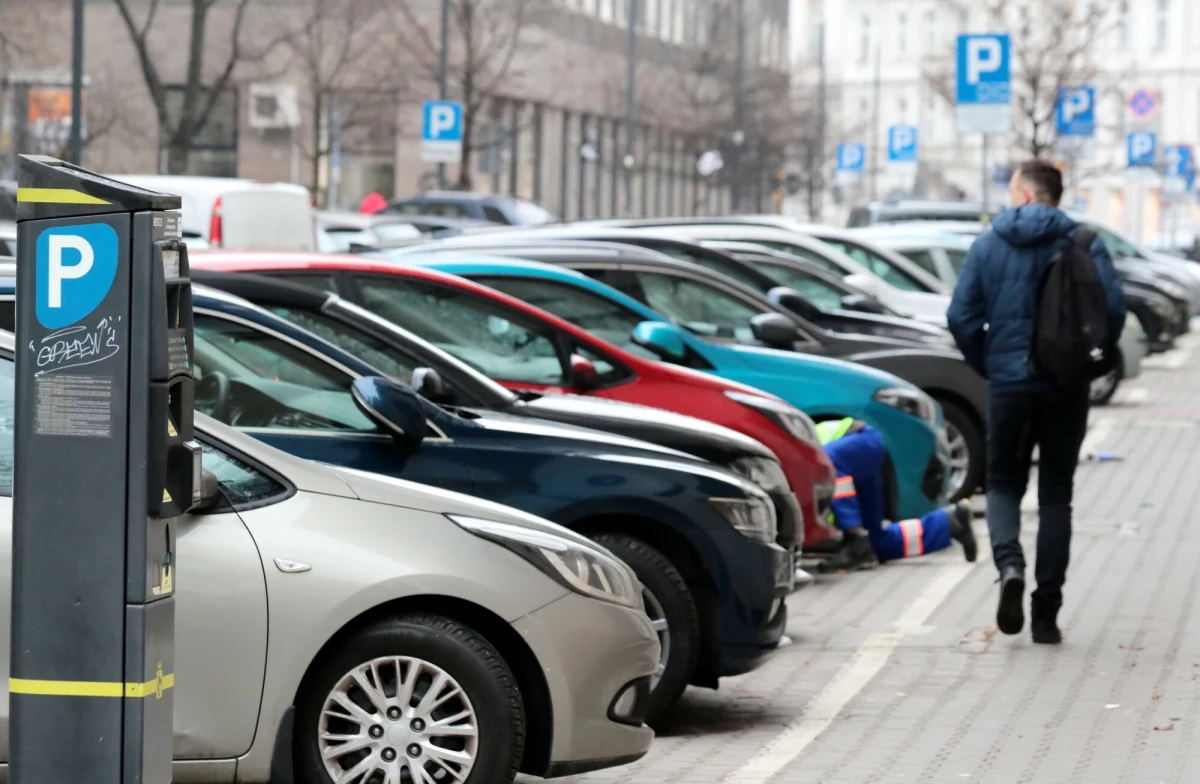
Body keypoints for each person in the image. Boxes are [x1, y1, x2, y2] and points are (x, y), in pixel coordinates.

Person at [946, 160, 1125, 644]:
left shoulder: (988, 244)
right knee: (1056, 497)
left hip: (1008, 385)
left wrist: (992, 363)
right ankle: (1046, 614)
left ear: (1025, 194)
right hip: (1064, 387)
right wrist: (1087, 366)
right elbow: (1112, 310)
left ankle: (1009, 568)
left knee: (1003, 484)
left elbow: (960, 315)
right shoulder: (1084, 241)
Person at [814, 417, 977, 573]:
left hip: (860, 440)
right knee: (874, 543)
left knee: (828, 460)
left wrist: (850, 530)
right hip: (862, 455)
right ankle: (950, 522)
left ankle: (854, 534)